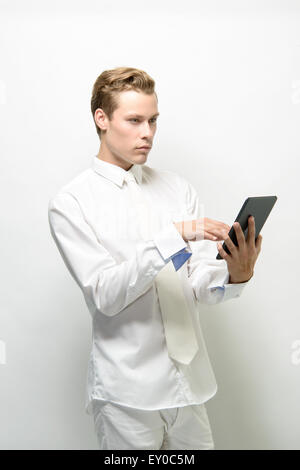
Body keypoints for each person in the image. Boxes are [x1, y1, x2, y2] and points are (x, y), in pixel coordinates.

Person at [48, 66, 262, 450]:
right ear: (102, 119)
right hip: (127, 396)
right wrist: (171, 236)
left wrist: (234, 276)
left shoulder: (177, 189)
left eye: (153, 120)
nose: (147, 133)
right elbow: (106, 295)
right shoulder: (72, 203)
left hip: (190, 387)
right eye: (134, 120)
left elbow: (196, 284)